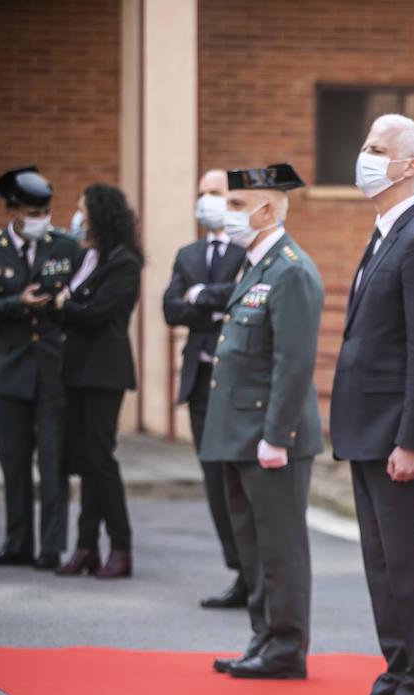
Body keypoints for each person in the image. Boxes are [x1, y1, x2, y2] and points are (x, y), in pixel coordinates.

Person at [327, 114, 414, 695]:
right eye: (365, 144)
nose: (365, 156)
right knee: (383, 568)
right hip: (368, 428)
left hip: (400, 437)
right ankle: (398, 675)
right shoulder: (385, 233)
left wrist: (411, 438)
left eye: (377, 149)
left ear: (409, 166)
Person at [200, 163, 324, 680]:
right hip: (239, 434)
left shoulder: (290, 269)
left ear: (266, 208)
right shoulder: (256, 264)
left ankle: (285, 646)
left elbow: (292, 364)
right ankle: (262, 636)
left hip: (271, 437)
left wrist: (277, 435)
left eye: (234, 205)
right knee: (251, 544)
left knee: (279, 546)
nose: (224, 214)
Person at [0, 167, 78, 570]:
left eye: (44, 211)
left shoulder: (65, 245)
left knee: (52, 463)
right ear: (13, 210)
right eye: (32, 212)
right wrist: (19, 302)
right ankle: (17, 542)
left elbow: (80, 290)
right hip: (9, 371)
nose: (39, 219)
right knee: (13, 463)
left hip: (52, 368)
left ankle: (50, 548)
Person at [161, 169, 248, 606]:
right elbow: (171, 308)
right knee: (214, 484)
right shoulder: (188, 253)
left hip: (233, 383)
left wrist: (202, 297)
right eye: (202, 193)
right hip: (198, 385)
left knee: (239, 482)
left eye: (215, 193)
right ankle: (238, 571)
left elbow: (239, 297)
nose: (206, 200)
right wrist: (208, 303)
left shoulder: (248, 249)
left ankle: (255, 573)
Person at [52, 184, 142, 578]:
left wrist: (64, 305)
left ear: (101, 213)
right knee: (85, 460)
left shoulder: (126, 263)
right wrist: (67, 305)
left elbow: (94, 313)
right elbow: (75, 305)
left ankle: (121, 547)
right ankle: (86, 545)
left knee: (100, 458)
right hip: (76, 370)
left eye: (83, 209)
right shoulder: (89, 256)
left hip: (104, 371)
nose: (78, 216)